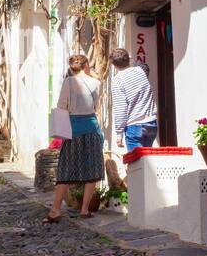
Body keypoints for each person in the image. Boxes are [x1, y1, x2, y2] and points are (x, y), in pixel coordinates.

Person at [46, 54, 104, 222]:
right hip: (92, 130)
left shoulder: (68, 82)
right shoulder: (96, 83)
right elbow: (95, 107)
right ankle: (85, 209)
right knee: (92, 171)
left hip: (73, 131)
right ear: (86, 65)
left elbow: (61, 106)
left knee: (65, 172)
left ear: (71, 67)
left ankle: (55, 210)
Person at [109, 48, 157, 152]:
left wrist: (119, 133)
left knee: (137, 165)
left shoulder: (117, 80)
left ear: (114, 65)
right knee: (147, 162)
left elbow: (120, 107)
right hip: (151, 123)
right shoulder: (141, 71)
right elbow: (142, 65)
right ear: (129, 59)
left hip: (134, 126)